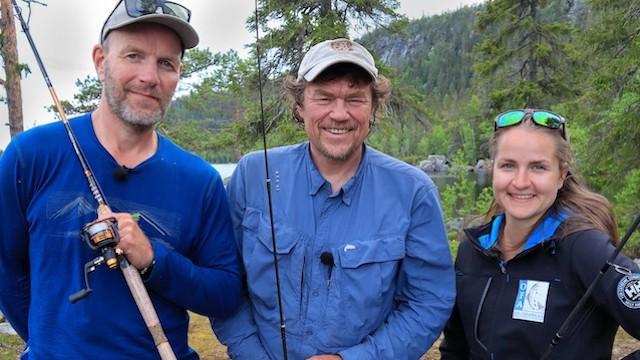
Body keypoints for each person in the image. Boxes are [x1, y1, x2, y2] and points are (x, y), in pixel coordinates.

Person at [0, 0, 241, 358]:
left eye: (166, 63)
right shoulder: (30, 155)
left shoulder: (199, 180)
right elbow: (7, 273)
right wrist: (49, 342)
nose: (149, 76)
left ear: (178, 73)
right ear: (101, 60)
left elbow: (224, 292)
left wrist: (154, 260)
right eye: (133, 56)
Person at [212, 38, 455, 359]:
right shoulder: (253, 175)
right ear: (299, 106)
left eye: (355, 99)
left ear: (373, 108)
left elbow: (428, 301)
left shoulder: (413, 192)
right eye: (323, 97)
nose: (339, 114)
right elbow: (225, 282)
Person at [439, 109, 640, 359]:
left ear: (561, 175)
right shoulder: (473, 250)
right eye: (508, 165)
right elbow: (455, 349)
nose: (521, 182)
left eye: (538, 167)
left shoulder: (585, 249)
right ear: (493, 169)